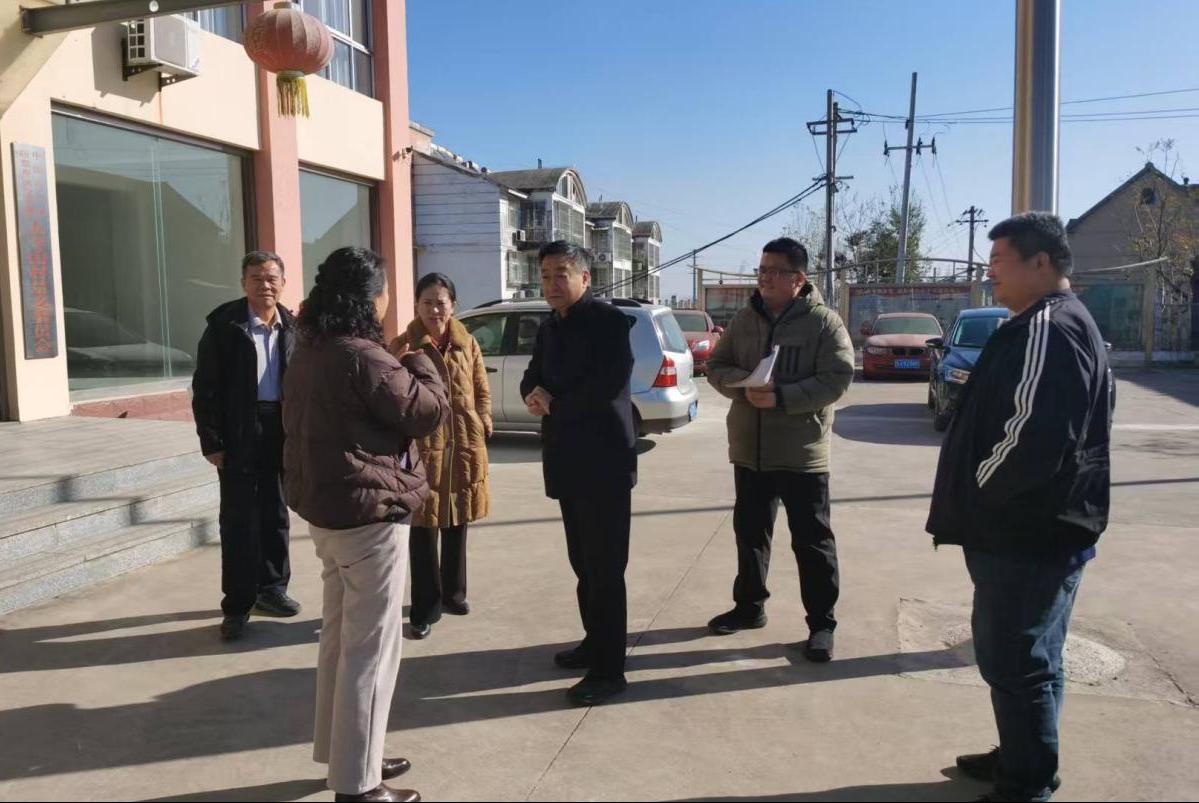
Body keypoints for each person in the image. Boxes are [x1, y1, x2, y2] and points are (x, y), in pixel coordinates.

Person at [927, 212, 1113, 803]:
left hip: (1024, 533)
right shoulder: (1054, 321)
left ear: (1040, 262)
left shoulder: (1048, 328)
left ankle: (1026, 784)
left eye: (998, 262)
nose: (990, 274)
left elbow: (1031, 437)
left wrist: (977, 490)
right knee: (1037, 658)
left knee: (1015, 661)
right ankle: (1025, 755)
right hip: (1047, 528)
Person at [283, 247, 448, 803]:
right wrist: (420, 363)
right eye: (385, 291)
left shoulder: (310, 348)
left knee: (338, 639)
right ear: (369, 298)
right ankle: (359, 784)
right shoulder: (364, 356)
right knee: (371, 651)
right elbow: (426, 412)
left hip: (328, 512)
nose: (388, 300)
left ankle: (348, 755)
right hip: (369, 516)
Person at [705, 237, 854, 662]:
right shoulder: (744, 319)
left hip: (801, 452)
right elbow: (716, 366)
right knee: (750, 534)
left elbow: (837, 378)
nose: (765, 278)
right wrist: (743, 386)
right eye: (762, 270)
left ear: (798, 278)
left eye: (775, 271)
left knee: (812, 542)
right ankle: (750, 607)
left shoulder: (824, 323)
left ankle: (821, 625)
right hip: (749, 449)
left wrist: (783, 397)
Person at [520, 240, 637, 706]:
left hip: (604, 464)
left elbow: (608, 386)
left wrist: (556, 404)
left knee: (606, 569)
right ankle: (594, 643)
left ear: (585, 278)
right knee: (583, 564)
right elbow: (532, 374)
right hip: (566, 461)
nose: (552, 283)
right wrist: (533, 393)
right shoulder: (549, 326)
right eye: (546, 274)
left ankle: (610, 671)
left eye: (561, 274)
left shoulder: (609, 323)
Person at [192, 250, 300, 642]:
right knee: (238, 518)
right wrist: (212, 440)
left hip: (280, 429)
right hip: (239, 430)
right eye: (256, 278)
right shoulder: (225, 326)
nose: (264, 285)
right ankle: (237, 605)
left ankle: (272, 588)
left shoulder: (293, 327)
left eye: (271, 278)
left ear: (283, 283)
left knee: (276, 512)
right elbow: (205, 388)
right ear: (243, 283)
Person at [389, 273, 492, 639]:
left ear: (454, 305)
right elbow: (390, 396)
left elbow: (480, 387)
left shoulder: (467, 343)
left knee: (457, 520)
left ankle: (454, 593)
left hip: (463, 443)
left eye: (441, 302)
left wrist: (484, 420)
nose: (435, 309)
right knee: (423, 528)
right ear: (417, 305)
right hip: (423, 448)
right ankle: (425, 608)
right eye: (427, 302)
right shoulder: (404, 345)